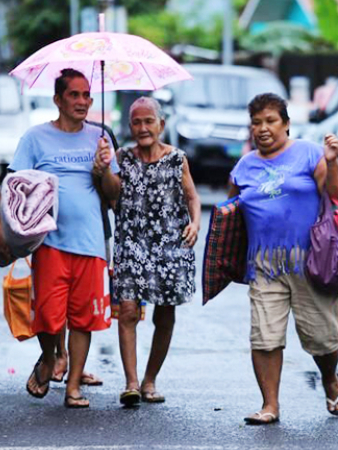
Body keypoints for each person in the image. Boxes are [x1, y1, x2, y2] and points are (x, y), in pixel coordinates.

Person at [0, 68, 121, 408]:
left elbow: (114, 195)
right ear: (58, 100)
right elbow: (11, 185)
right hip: (48, 242)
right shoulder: (36, 138)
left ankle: (74, 386)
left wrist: (103, 169)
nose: (82, 102)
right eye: (74, 95)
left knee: (84, 319)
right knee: (48, 316)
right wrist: (0, 228)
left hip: (90, 242)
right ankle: (50, 357)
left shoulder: (101, 138)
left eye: (86, 96)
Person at [227, 93, 338, 425]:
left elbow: (337, 195)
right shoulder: (244, 166)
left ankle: (329, 378)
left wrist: (333, 161)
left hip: (310, 261)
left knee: (322, 339)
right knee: (264, 336)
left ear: (286, 123)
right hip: (264, 264)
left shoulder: (309, 153)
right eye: (256, 122)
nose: (263, 129)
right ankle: (270, 405)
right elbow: (230, 213)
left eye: (270, 121)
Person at [113, 96, 200, 407]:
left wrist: (196, 223)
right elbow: (110, 195)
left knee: (165, 315)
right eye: (136, 122)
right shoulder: (121, 157)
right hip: (131, 243)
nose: (142, 127)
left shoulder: (177, 158)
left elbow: (192, 197)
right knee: (127, 311)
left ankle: (150, 380)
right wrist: (102, 169)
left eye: (149, 121)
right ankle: (132, 383)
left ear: (161, 125)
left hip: (169, 246)